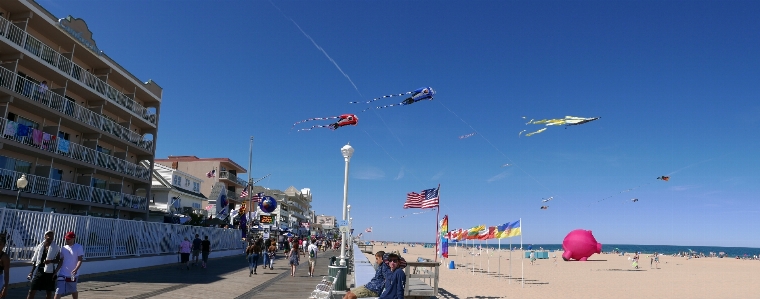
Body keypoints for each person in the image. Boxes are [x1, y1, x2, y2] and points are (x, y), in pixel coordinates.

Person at [28, 230, 60, 299]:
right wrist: (31, 272)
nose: (50, 237)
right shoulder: (40, 246)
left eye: (52, 236)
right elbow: (35, 260)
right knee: (32, 290)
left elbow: (58, 260)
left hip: (50, 272)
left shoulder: (56, 247)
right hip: (39, 270)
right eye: (48, 235)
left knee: (48, 292)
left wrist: (50, 261)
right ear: (45, 236)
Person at [53, 232, 83, 299]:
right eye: (66, 239)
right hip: (62, 273)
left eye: (69, 239)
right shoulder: (63, 248)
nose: (67, 240)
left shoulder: (78, 247)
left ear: (73, 238)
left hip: (72, 274)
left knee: (73, 290)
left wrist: (76, 269)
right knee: (58, 291)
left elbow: (80, 260)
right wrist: (56, 271)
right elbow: (61, 261)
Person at [0, 233, 9, 299]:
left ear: (3, 245)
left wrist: (5, 287)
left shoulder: (4, 257)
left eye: (0, 244)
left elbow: (6, 273)